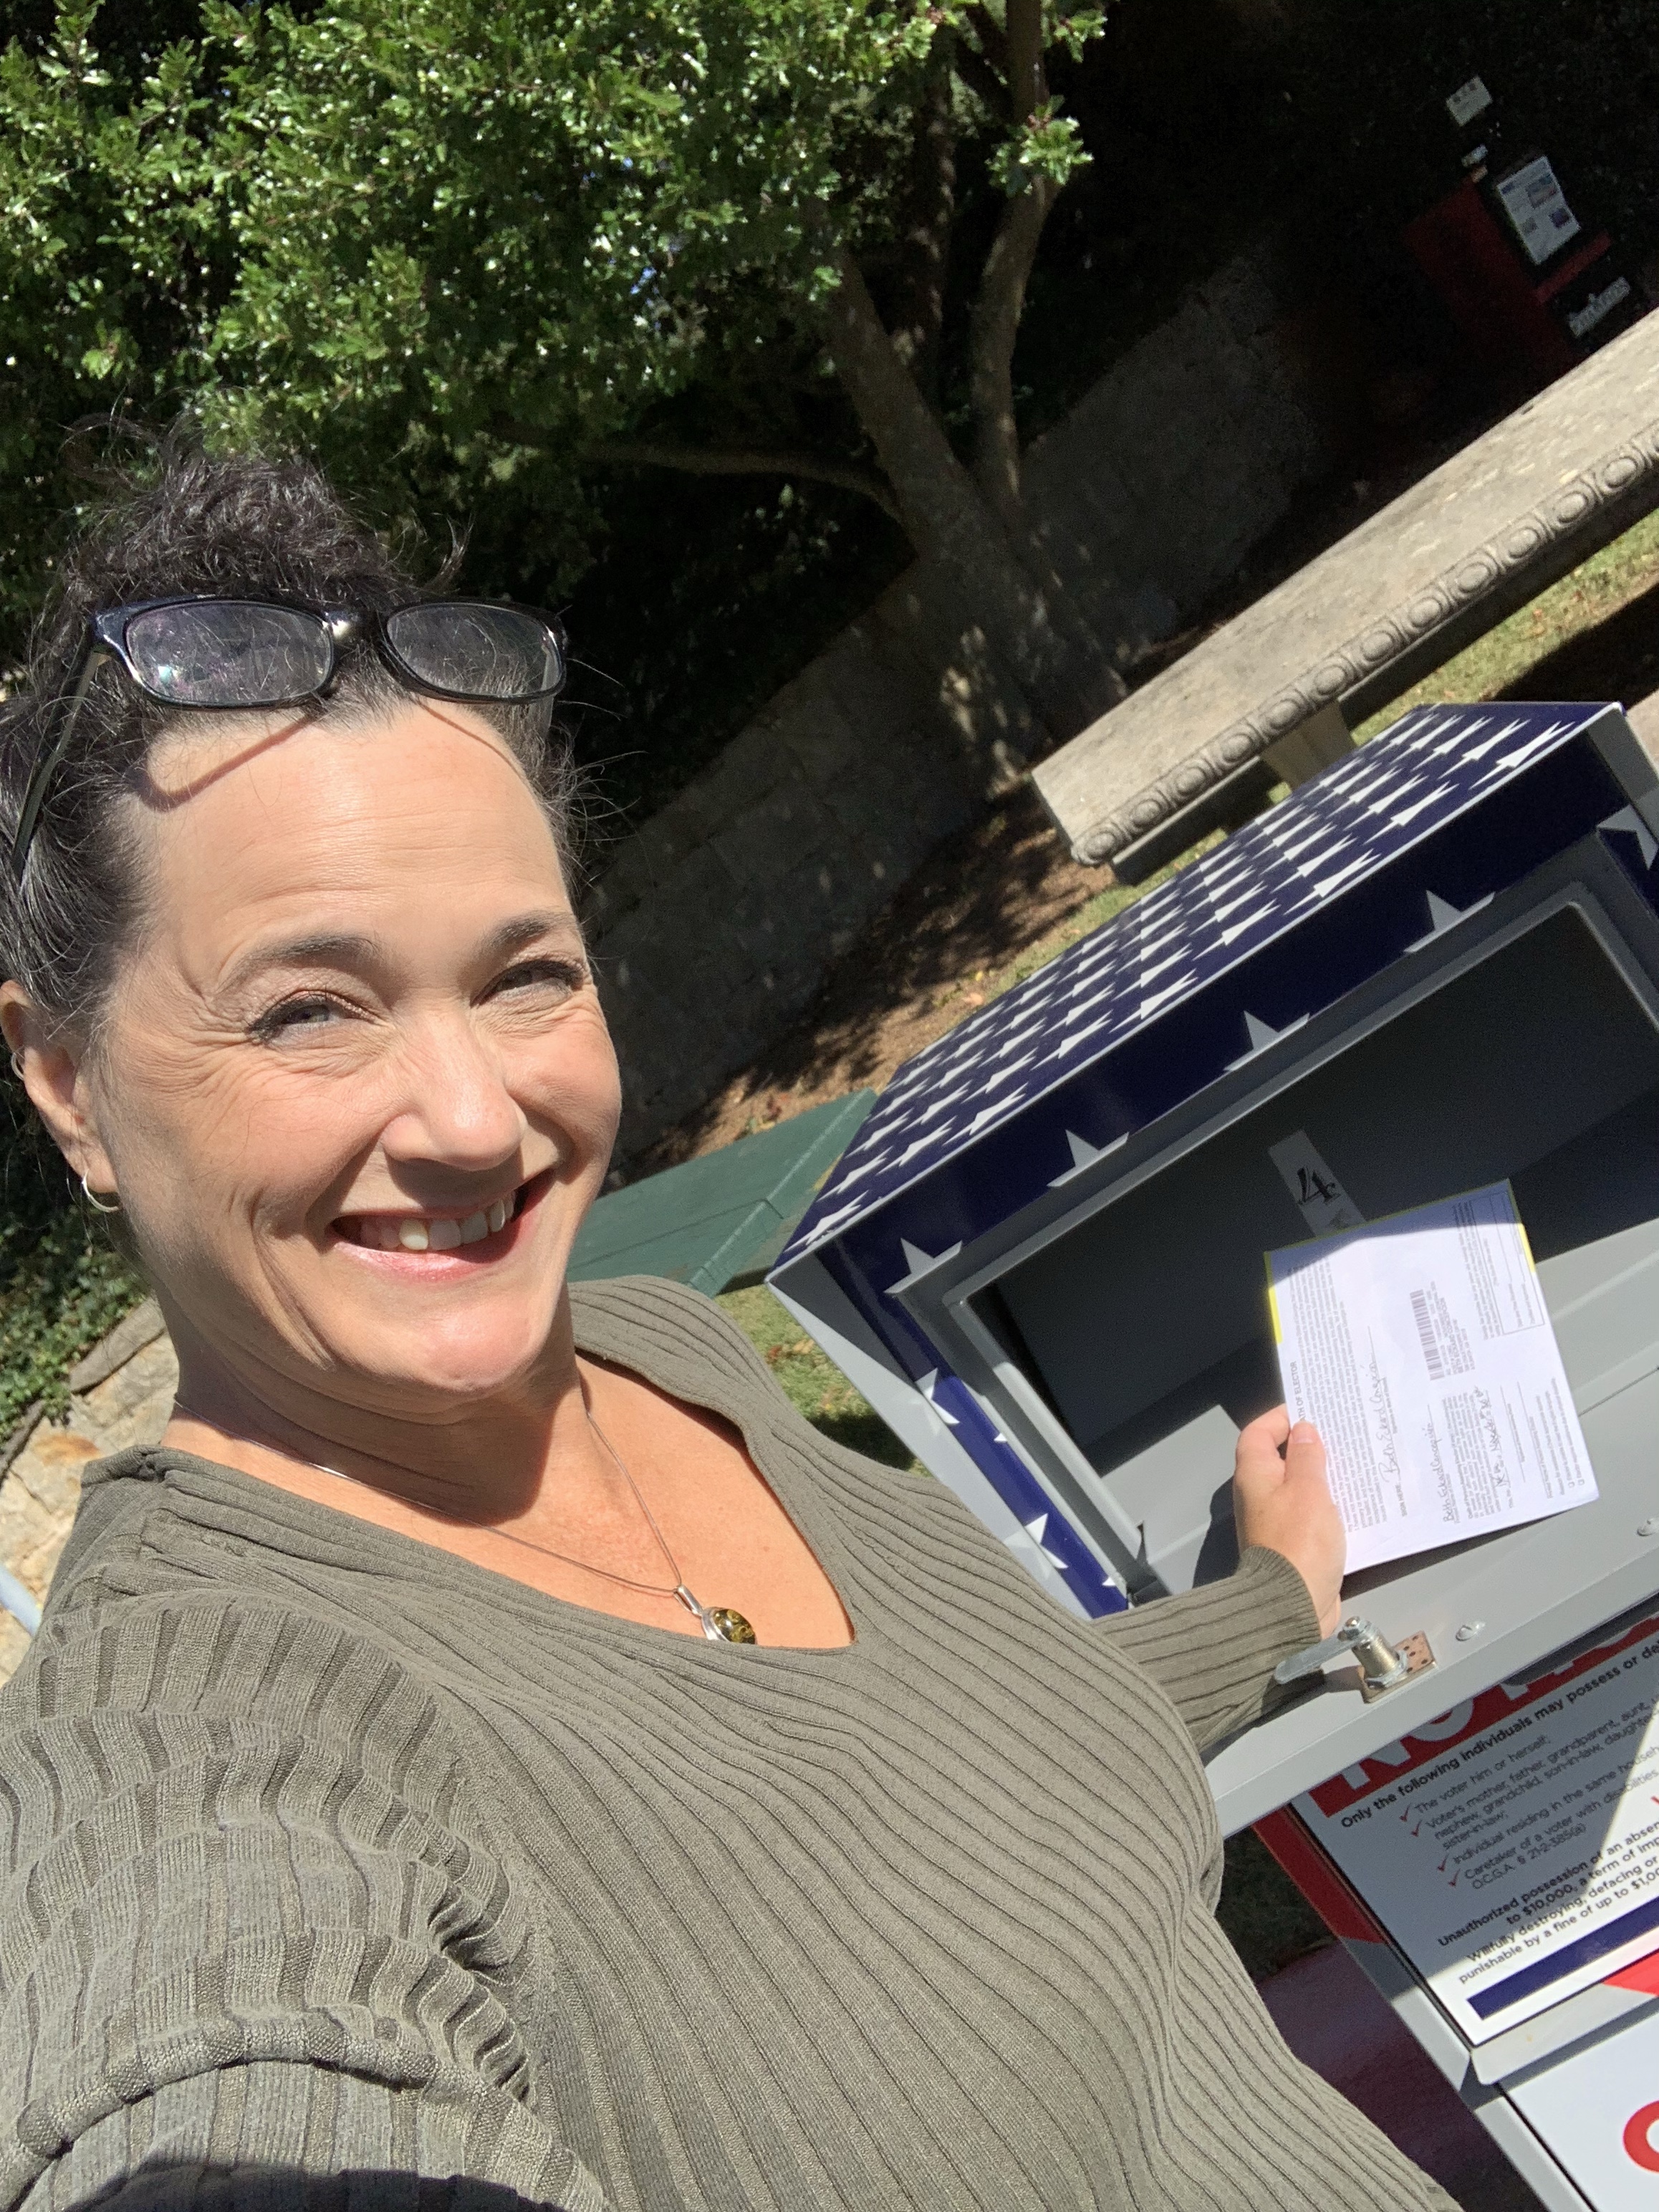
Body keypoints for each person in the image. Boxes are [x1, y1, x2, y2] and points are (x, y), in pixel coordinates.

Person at [0, 445, 1458, 2212]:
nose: (472, 1118)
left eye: (525, 974)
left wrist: (1273, 1601)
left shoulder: (662, 1350)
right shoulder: (193, 1725)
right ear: (66, 1081)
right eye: (311, 1008)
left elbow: (968, 1782)